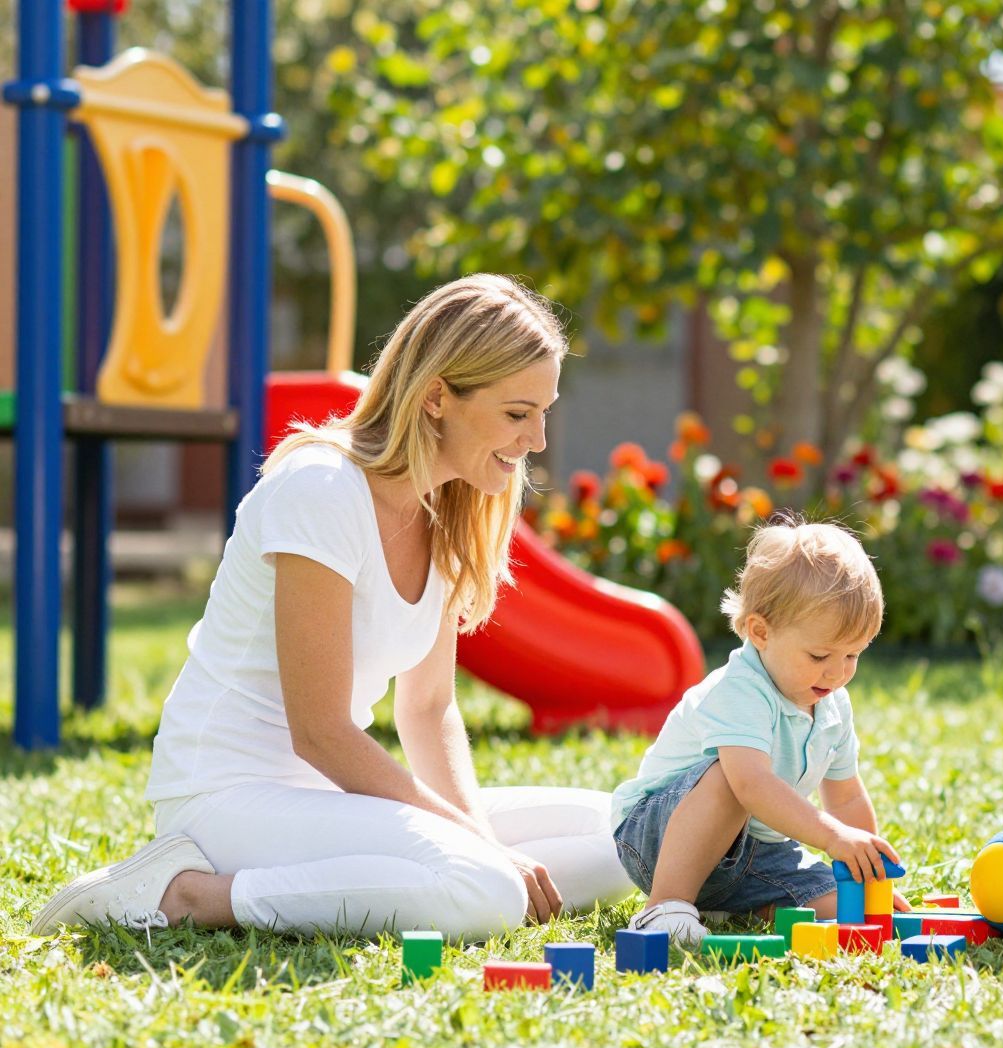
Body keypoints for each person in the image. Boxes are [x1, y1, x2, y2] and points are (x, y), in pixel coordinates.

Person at [31, 275, 636, 941]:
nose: (538, 440)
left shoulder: (446, 508)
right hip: (226, 801)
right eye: (518, 414)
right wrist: (480, 852)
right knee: (485, 888)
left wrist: (476, 834)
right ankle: (191, 895)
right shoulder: (320, 490)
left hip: (331, 799)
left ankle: (459, 875)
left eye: (544, 412)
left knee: (623, 833)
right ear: (437, 397)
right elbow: (317, 730)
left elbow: (428, 707)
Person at [612, 519, 900, 949]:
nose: (838, 672)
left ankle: (735, 903)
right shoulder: (742, 688)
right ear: (760, 632)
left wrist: (869, 873)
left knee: (845, 907)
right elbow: (751, 785)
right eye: (820, 654)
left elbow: (846, 796)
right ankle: (667, 904)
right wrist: (833, 837)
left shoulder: (832, 703)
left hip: (755, 855)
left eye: (852, 655)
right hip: (656, 837)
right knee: (732, 777)